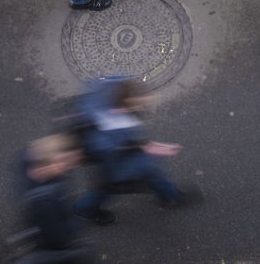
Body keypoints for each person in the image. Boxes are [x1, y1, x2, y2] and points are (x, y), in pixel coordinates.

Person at [71, 78, 194, 225]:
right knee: (108, 187)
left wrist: (151, 146)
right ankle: (84, 208)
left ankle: (170, 195)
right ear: (126, 104)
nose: (143, 107)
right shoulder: (117, 127)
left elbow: (134, 142)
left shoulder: (108, 92)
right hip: (113, 161)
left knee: (149, 170)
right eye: (139, 104)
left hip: (116, 152)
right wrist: (115, 179)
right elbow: (112, 157)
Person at [16, 133, 93, 263]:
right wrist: (74, 227)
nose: (69, 166)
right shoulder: (46, 198)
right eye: (66, 161)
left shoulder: (35, 163)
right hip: (54, 243)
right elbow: (56, 236)